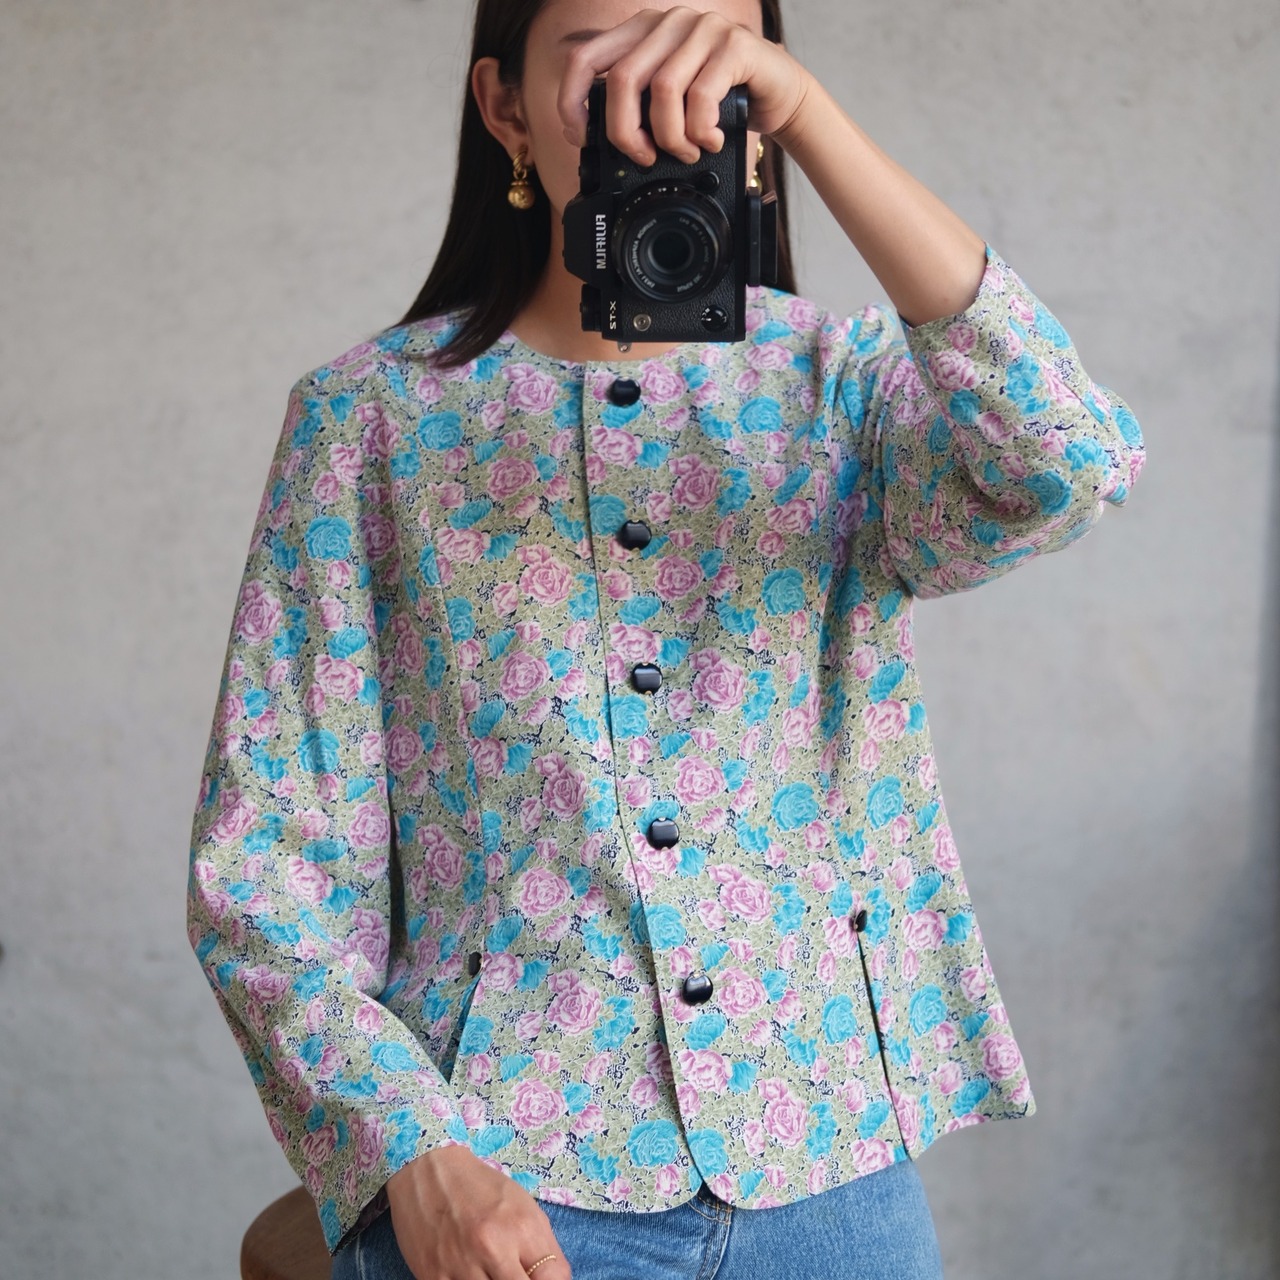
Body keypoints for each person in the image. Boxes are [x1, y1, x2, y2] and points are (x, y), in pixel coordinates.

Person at [185, 1, 1146, 1277]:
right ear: (505, 106)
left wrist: (811, 121)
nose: (659, 99)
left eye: (710, 63)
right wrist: (411, 1150)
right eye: (606, 62)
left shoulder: (839, 391)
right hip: (505, 1179)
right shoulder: (368, 425)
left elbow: (1067, 462)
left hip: (827, 1161)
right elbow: (268, 873)